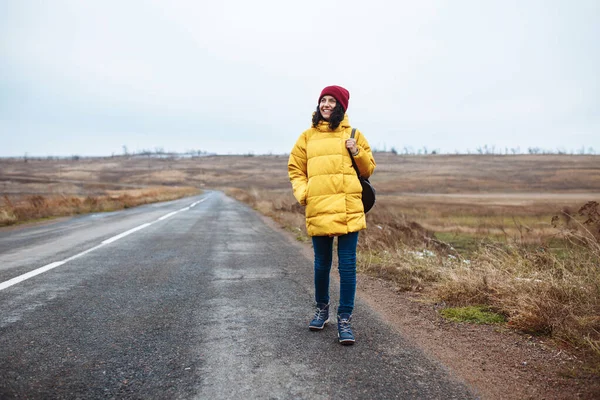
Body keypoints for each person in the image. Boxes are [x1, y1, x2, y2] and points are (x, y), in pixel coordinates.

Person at [288, 85, 376, 345]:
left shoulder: (354, 134)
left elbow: (369, 170)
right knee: (321, 264)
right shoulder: (307, 137)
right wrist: (306, 194)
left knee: (347, 266)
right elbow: (295, 168)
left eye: (332, 101)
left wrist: (356, 152)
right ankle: (322, 309)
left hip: (348, 207)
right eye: (323, 100)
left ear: (341, 106)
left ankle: (345, 319)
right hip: (319, 207)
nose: (326, 105)